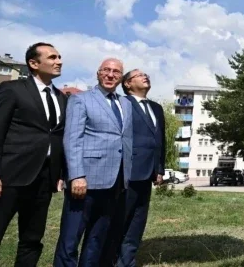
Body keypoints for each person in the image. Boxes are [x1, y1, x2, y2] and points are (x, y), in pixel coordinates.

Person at [0, 43, 66, 266]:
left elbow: (58, 137)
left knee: (32, 240)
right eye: (52, 57)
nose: (59, 61)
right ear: (33, 63)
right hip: (10, 177)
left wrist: (59, 173)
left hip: (44, 180)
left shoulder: (61, 97)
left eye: (59, 56)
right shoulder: (13, 89)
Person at [54, 58, 134, 266]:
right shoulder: (81, 100)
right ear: (98, 73)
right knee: (71, 239)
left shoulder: (125, 103)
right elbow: (72, 139)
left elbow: (125, 139)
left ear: (121, 77)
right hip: (85, 181)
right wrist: (76, 175)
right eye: (106, 70)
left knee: (97, 238)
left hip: (115, 181)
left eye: (116, 72)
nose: (110, 74)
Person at [104, 69, 166, 266]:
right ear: (128, 84)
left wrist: (160, 168)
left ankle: (127, 261)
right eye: (139, 75)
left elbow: (160, 140)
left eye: (146, 74)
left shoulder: (156, 108)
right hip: (127, 171)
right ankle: (110, 260)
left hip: (148, 173)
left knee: (137, 222)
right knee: (120, 219)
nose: (145, 76)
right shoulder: (122, 104)